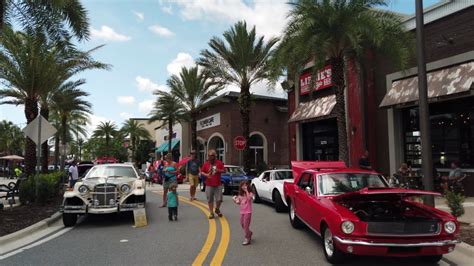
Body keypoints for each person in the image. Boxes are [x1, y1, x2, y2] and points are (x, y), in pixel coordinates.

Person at [201, 149, 225, 219]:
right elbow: (202, 172)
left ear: (215, 156)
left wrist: (218, 170)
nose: (211, 157)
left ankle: (217, 209)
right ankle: (211, 213)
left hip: (218, 184)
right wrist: (206, 175)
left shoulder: (219, 163)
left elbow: (224, 170)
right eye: (210, 156)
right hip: (209, 184)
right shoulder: (206, 163)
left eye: (213, 155)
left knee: (219, 199)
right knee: (210, 199)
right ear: (208, 156)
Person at [232, 180, 254, 245]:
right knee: (242, 224)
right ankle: (249, 233)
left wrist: (247, 191)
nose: (244, 187)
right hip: (242, 212)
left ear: (248, 186)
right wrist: (235, 199)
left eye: (245, 185)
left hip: (248, 212)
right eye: (243, 185)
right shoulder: (240, 195)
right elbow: (238, 202)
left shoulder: (250, 193)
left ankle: (247, 238)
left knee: (246, 225)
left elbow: (249, 198)